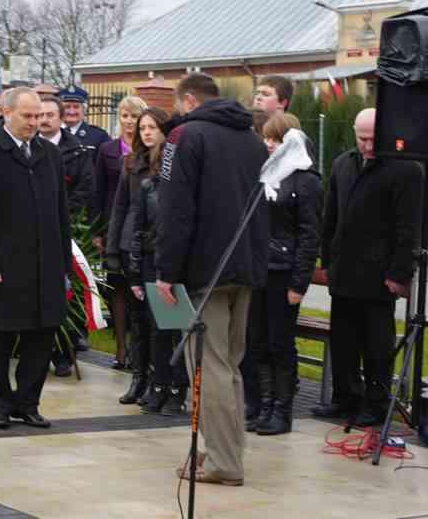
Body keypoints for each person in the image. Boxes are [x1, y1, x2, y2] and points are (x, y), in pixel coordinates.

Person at [155, 73, 269, 486]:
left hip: (205, 272)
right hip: (245, 268)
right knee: (229, 367)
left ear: (188, 101)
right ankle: (222, 449)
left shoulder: (184, 137)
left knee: (210, 368)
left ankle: (224, 462)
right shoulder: (252, 139)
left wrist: (166, 272)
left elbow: (175, 210)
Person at [0, 86, 71, 430]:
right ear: (6, 113)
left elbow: (60, 213)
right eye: (27, 115)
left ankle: (28, 402)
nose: (34, 122)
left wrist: (64, 265)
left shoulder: (49, 155)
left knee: (40, 337)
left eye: (38, 116)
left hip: (46, 266)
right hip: (3, 267)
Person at [314, 108, 423, 426]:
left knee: (376, 345)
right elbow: (330, 217)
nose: (367, 146)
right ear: (354, 133)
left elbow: (409, 228)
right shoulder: (342, 164)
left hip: (379, 276)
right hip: (344, 270)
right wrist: (327, 261)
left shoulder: (405, 169)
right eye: (362, 138)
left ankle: (374, 403)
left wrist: (399, 274)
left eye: (373, 139)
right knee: (343, 341)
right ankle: (345, 397)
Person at [246, 113, 322, 435]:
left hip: (284, 272)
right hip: (260, 269)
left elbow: (309, 235)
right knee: (258, 341)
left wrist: (299, 282)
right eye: (265, 138)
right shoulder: (266, 174)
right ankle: (264, 405)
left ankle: (282, 409)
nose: (268, 144)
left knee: (280, 342)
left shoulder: (306, 180)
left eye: (274, 139)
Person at [124, 107, 190, 415]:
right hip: (152, 261)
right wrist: (136, 273)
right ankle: (158, 383)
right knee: (156, 329)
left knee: (174, 326)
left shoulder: (184, 192)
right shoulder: (147, 187)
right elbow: (138, 228)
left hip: (174, 263)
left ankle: (177, 387)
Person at [109, 105, 163, 403]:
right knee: (138, 320)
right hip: (134, 249)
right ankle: (138, 377)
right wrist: (116, 247)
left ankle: (158, 379)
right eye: (143, 128)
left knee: (160, 323)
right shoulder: (130, 163)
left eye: (152, 127)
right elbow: (119, 208)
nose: (146, 132)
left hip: (159, 251)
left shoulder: (169, 165)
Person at [38, 95, 94, 376]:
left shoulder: (78, 152)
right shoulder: (27, 148)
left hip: (68, 232)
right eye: (41, 114)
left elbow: (85, 189)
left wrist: (62, 216)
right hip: (33, 232)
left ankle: (64, 352)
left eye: (50, 114)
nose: (45, 119)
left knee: (67, 294)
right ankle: (38, 351)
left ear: (61, 118)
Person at [93, 95, 147, 369]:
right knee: (117, 290)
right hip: (112, 226)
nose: (129, 121)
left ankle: (140, 350)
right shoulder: (107, 150)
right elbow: (99, 190)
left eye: (134, 116)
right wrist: (99, 231)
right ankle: (121, 349)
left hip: (140, 228)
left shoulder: (149, 149)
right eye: (124, 116)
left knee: (140, 291)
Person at [58, 85, 110, 161]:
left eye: (76, 107)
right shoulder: (51, 132)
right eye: (67, 107)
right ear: (60, 110)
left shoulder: (99, 137)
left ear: (84, 110)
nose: (71, 112)